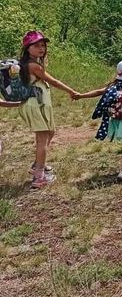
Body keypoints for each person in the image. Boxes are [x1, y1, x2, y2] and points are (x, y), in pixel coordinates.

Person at [16, 31, 78, 189]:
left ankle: (38, 164)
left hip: (39, 103)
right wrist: (71, 91)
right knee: (42, 140)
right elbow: (54, 81)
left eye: (43, 45)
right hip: (36, 104)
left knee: (50, 132)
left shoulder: (29, 63)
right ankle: (39, 177)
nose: (41, 48)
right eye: (36, 45)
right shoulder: (33, 65)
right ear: (27, 48)